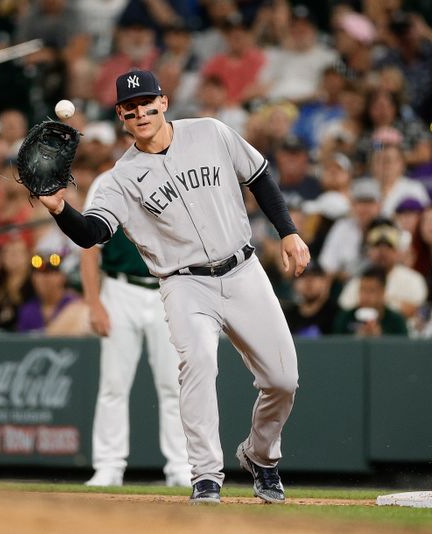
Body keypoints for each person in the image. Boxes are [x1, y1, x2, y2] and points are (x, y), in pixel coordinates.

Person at [37, 69, 310, 504]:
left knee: (283, 380)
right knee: (198, 363)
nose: (141, 112)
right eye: (131, 108)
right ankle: (205, 475)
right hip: (184, 285)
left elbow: (257, 175)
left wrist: (289, 231)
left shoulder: (210, 132)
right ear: (121, 116)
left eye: (148, 103)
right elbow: (91, 234)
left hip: (243, 271)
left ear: (164, 102)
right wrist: (59, 208)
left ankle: (261, 456)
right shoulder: (119, 178)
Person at [80, 172, 191, 487]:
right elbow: (89, 245)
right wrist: (94, 303)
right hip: (119, 288)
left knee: (174, 384)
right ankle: (108, 466)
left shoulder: (176, 175)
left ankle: (181, 467)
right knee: (113, 384)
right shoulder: (107, 181)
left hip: (167, 287)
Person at [332, 265, 407, 337]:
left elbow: (404, 347)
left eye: (371, 291)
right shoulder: (345, 318)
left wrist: (381, 337)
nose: (365, 296)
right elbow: (335, 346)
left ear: (383, 292)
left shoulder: (396, 321)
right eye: (362, 290)